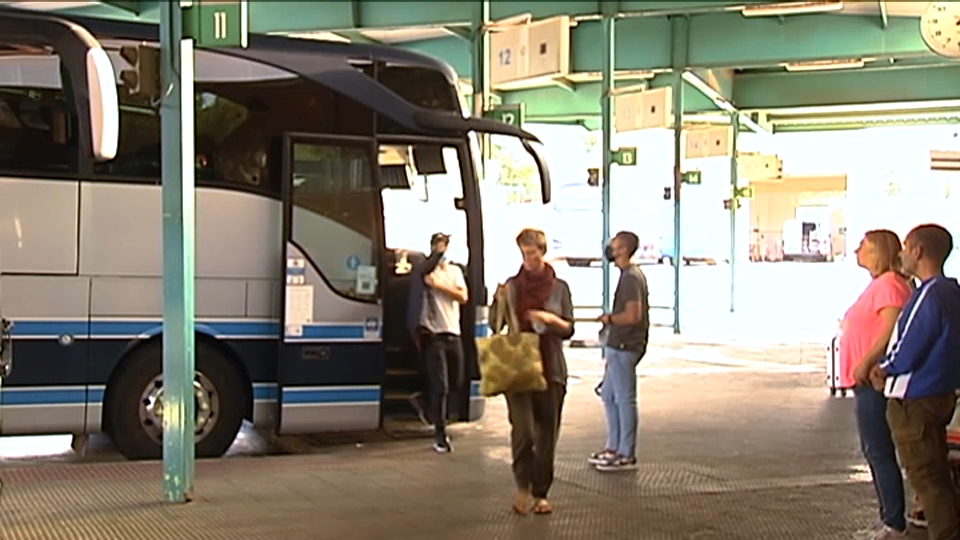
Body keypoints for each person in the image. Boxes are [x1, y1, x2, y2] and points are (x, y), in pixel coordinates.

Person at [870, 224, 960, 540]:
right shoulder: (952, 291)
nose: (902, 254)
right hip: (940, 393)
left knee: (927, 478)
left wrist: (883, 368)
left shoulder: (929, 294)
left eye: (906, 247)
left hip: (915, 400)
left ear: (919, 251)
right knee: (938, 477)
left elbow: (909, 345)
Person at [490, 228, 574, 516]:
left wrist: (550, 319)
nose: (528, 258)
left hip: (551, 368)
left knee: (546, 433)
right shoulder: (512, 286)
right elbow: (495, 325)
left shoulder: (559, 288)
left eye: (533, 252)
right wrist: (497, 300)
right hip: (519, 367)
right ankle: (522, 486)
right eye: (524, 253)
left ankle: (541, 492)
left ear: (542, 252)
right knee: (523, 430)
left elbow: (568, 328)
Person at [839, 230, 912, 540]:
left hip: (874, 381)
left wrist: (866, 361)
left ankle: (894, 522)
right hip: (867, 380)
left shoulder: (889, 285)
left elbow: (890, 329)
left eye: (863, 247)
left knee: (879, 450)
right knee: (876, 449)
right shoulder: (881, 285)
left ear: (878, 252)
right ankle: (891, 518)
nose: (857, 251)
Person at [588, 231, 650, 472]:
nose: (609, 247)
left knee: (624, 399)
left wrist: (610, 318)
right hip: (617, 347)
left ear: (622, 249)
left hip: (625, 346)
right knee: (609, 396)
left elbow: (633, 315)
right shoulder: (628, 276)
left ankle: (626, 453)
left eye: (614, 244)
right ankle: (613, 447)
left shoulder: (631, 278)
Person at [418, 232, 468, 453]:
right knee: (442, 386)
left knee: (456, 382)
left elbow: (463, 296)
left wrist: (439, 286)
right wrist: (435, 258)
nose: (442, 249)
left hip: (453, 333)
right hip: (434, 336)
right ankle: (440, 435)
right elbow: (423, 273)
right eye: (438, 245)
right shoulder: (425, 270)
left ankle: (427, 406)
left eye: (445, 245)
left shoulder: (454, 271)